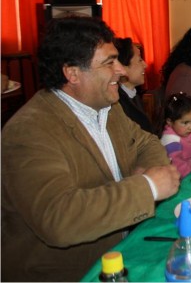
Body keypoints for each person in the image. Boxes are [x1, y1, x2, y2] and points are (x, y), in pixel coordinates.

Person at [1, 16, 180, 281]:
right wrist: (148, 187)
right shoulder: (28, 132)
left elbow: (146, 142)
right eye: (109, 62)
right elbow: (59, 219)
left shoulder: (107, 105)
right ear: (72, 73)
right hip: (70, 273)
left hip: (122, 251)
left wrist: (152, 170)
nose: (120, 70)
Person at [160, 93, 191, 178]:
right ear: (169, 122)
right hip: (181, 178)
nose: (190, 127)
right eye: (185, 123)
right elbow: (178, 167)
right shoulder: (170, 141)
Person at [115, 37, 153, 133]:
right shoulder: (116, 103)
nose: (145, 65)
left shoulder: (133, 95)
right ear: (123, 67)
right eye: (140, 60)